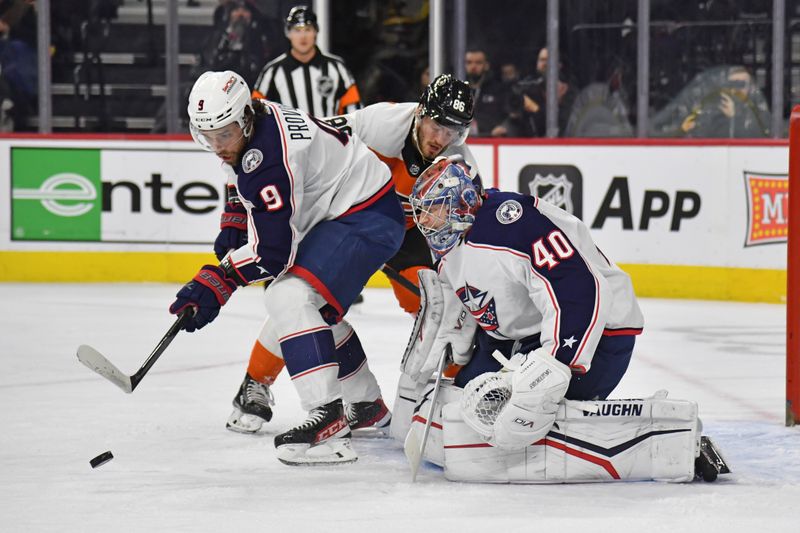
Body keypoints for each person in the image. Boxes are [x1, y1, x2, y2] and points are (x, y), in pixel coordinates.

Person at [396, 156, 728, 483]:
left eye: (434, 207)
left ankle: (669, 441)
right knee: (461, 410)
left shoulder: (510, 224)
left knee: (522, 418)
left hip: (600, 332)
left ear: (461, 201)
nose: (426, 219)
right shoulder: (450, 240)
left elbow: (582, 290)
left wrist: (554, 364)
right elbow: (475, 297)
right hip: (525, 337)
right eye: (423, 210)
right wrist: (458, 345)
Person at [223, 73, 483, 435]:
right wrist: (244, 203)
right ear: (421, 113)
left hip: (409, 235)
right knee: (304, 294)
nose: (441, 139)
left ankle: (453, 391)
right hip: (349, 216)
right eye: (437, 125)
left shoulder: (461, 164)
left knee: (440, 307)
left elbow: (461, 236)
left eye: (453, 132)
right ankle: (256, 381)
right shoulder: (378, 123)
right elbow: (309, 146)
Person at [170, 70, 405, 465]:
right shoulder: (249, 126)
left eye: (222, 134)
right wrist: (235, 216)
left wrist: (219, 280)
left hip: (366, 215)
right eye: (206, 136)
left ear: (244, 117)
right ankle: (365, 405)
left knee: (288, 294)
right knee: (311, 311)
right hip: (344, 207)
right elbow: (237, 168)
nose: (216, 146)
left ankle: (328, 422)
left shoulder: (270, 159)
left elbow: (272, 255)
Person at [251, 5, 362, 117]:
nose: (303, 36)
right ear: (288, 33)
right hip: (289, 135)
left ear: (316, 31)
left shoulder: (337, 68)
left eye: (308, 29)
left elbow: (354, 111)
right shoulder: (272, 72)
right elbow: (256, 114)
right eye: (297, 30)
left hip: (330, 134)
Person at [499, 46, 576, 137]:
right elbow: (516, 118)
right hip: (530, 144)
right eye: (541, 60)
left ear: (559, 65)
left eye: (549, 60)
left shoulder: (567, 90)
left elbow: (565, 123)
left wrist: (536, 109)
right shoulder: (528, 87)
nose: (545, 64)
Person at [463, 46, 507, 137]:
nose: (473, 66)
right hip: (462, 140)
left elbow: (506, 116)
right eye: (469, 63)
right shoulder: (458, 89)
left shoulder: (498, 90)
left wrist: (502, 127)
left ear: (486, 65)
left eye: (478, 63)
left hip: (491, 140)